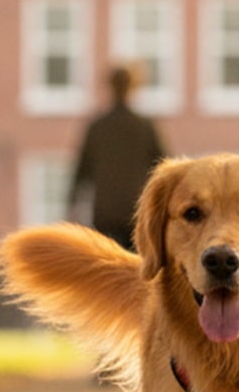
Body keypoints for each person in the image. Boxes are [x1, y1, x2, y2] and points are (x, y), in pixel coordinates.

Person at [69, 64, 172, 251]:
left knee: (107, 269)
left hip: (104, 214)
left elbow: (81, 172)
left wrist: (71, 206)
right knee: (135, 270)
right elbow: (166, 168)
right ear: (133, 87)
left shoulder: (98, 127)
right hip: (136, 212)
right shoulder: (144, 126)